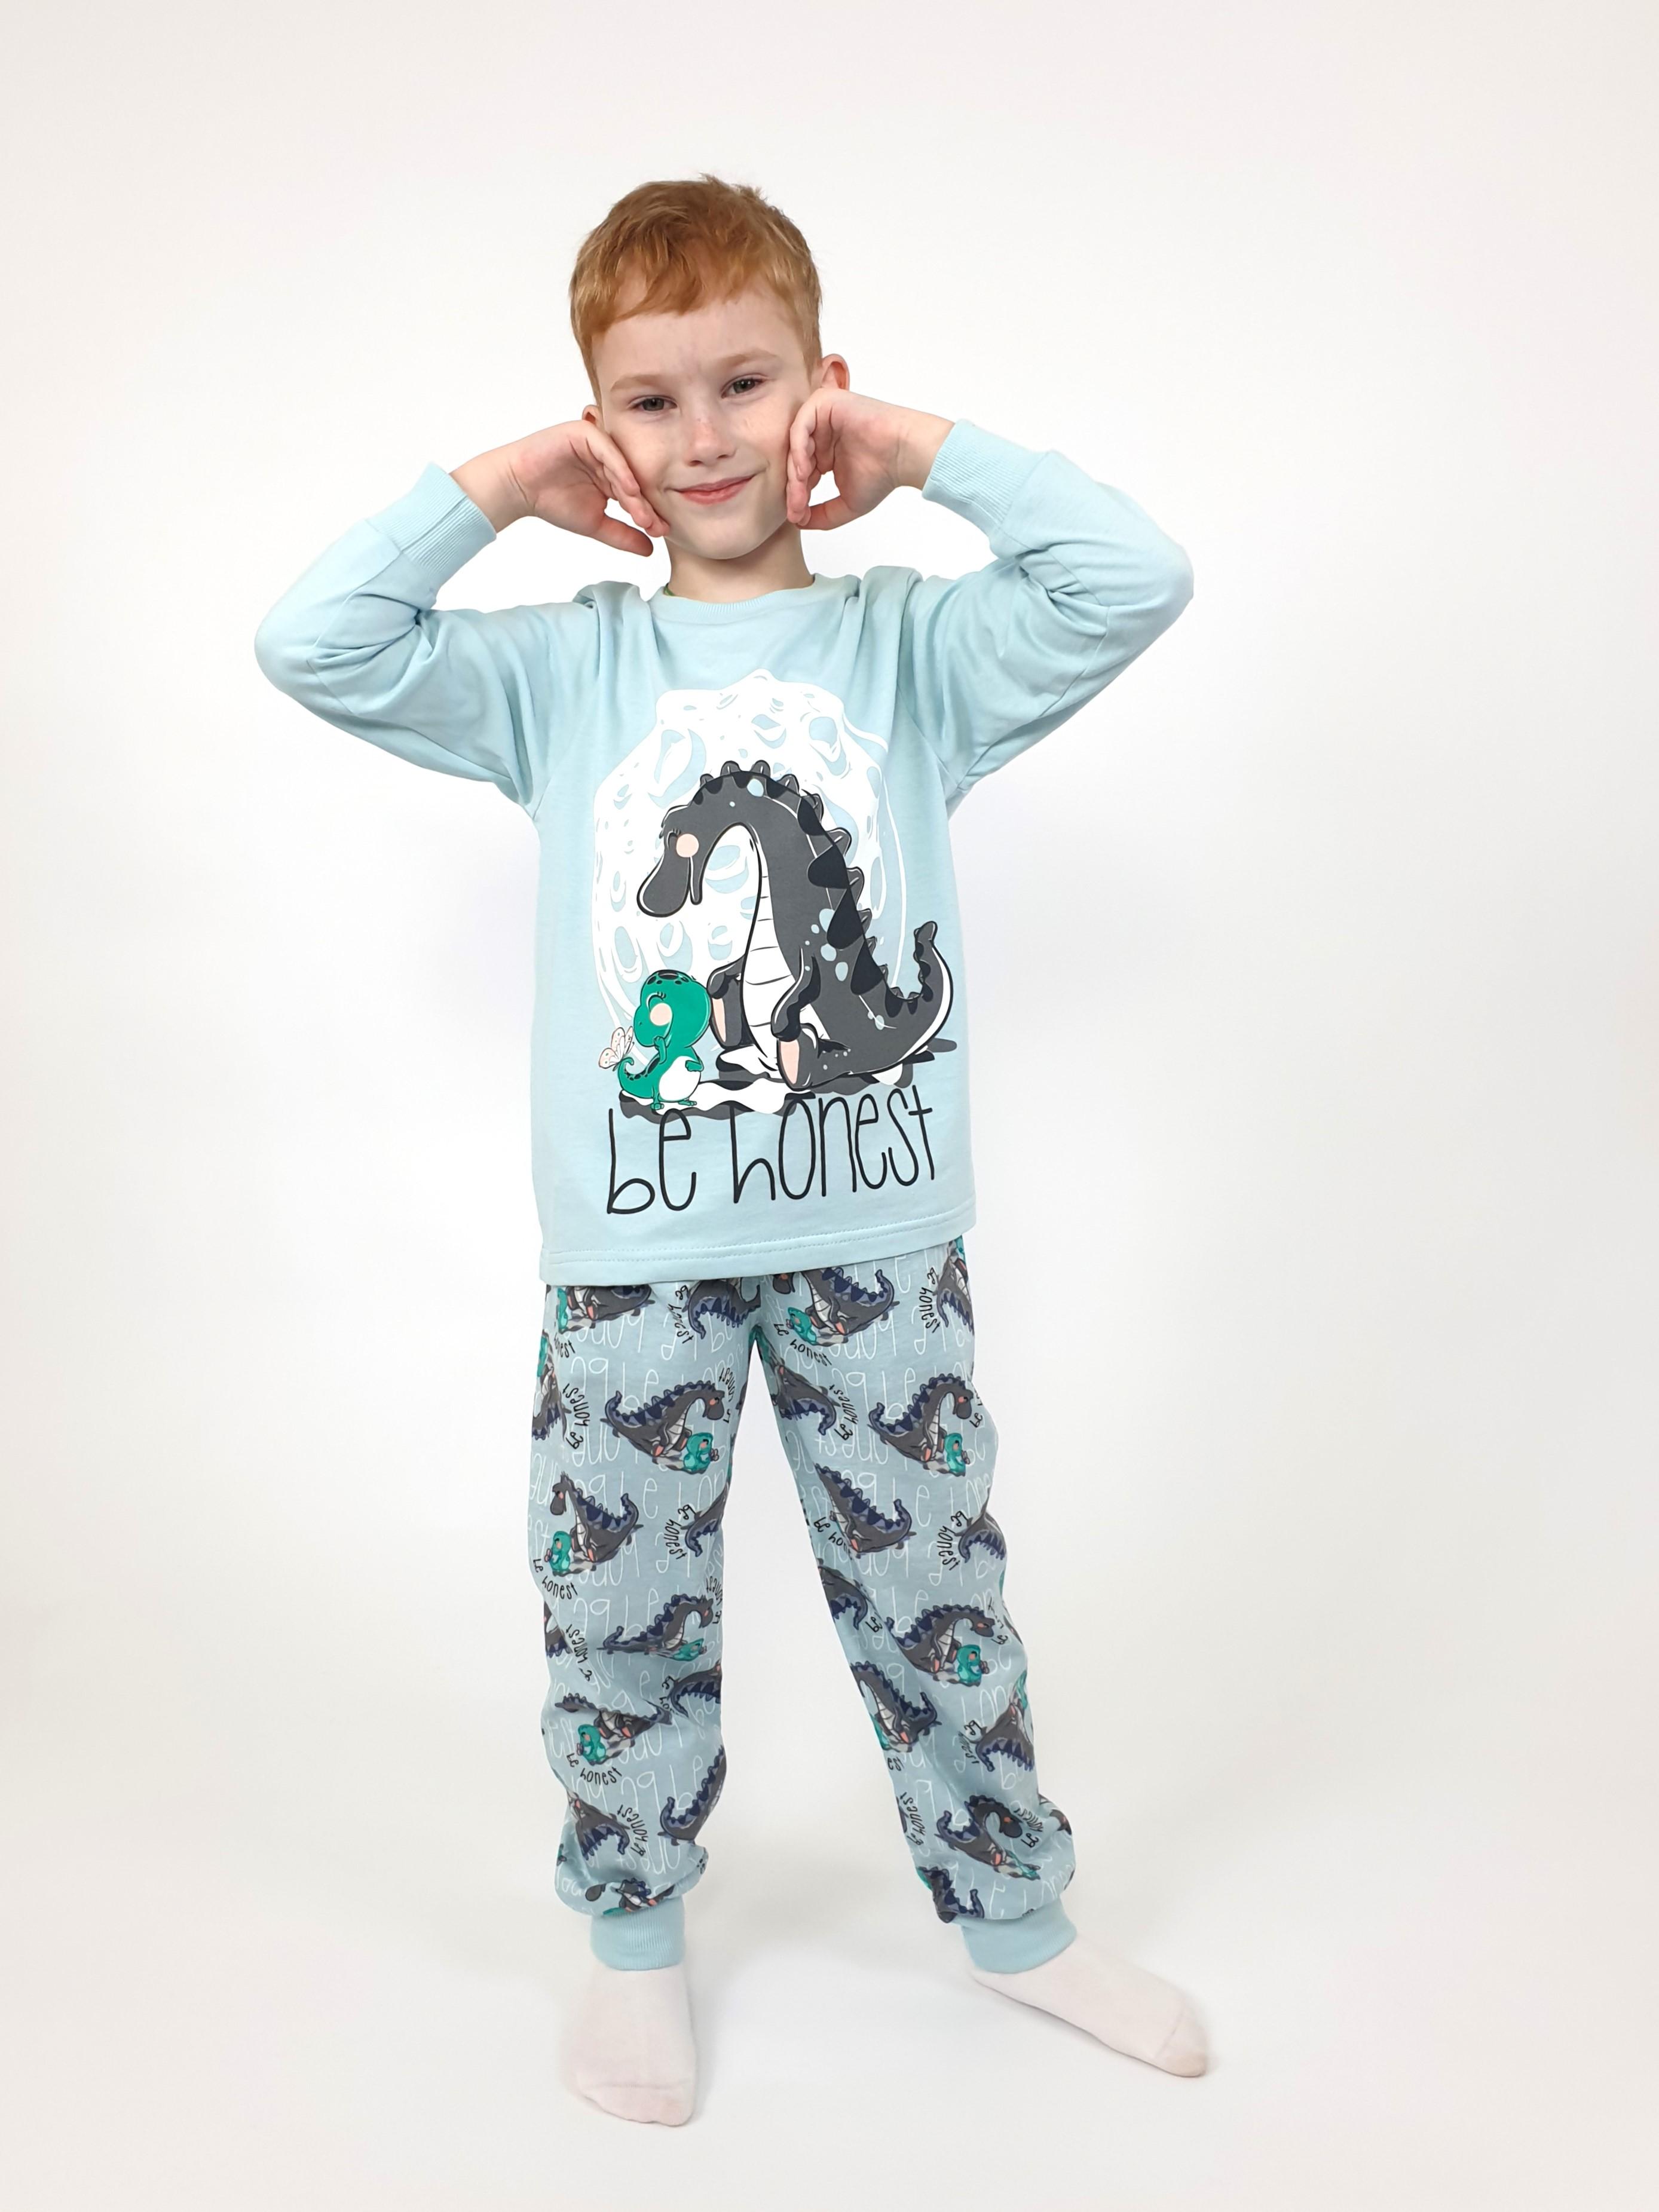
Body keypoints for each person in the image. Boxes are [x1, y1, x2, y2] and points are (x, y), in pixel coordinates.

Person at [253, 173, 1205, 2126]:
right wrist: (500, 490)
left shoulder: (915, 653)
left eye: (745, 384)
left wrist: (919, 452)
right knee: (617, 1605)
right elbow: (313, 640)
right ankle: (632, 1940)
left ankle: (1016, 1919)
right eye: (652, 399)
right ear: (603, 422)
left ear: (816, 387)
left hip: (877, 1233)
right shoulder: (558, 672)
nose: (703, 436)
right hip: (636, 1251)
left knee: (936, 1587)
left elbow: (1135, 575)